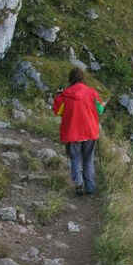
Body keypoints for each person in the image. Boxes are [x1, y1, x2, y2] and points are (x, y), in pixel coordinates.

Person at [53, 66, 107, 196]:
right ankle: (90, 188)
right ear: (82, 79)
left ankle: (78, 184)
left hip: (73, 132)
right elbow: (100, 110)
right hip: (90, 132)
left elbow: (58, 111)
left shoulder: (65, 94)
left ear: (70, 79)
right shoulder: (92, 92)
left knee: (75, 158)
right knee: (88, 159)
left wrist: (58, 96)